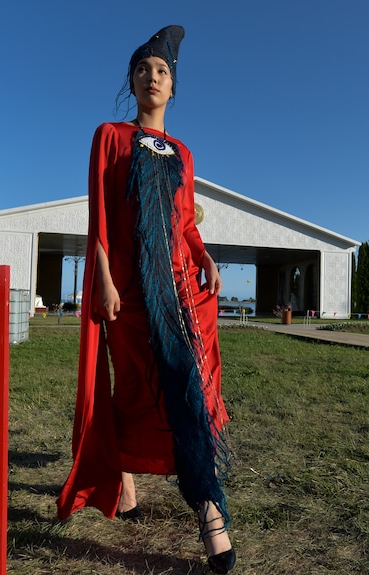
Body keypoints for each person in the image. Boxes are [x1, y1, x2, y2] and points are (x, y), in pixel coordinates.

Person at [56, 25, 235, 574]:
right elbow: (101, 217)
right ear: (131, 83)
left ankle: (209, 508)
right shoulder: (109, 136)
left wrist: (204, 257)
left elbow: (184, 221)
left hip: (181, 288)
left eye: (162, 71)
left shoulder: (183, 151)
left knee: (194, 386)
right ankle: (125, 479)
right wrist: (104, 279)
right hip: (130, 290)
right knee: (136, 384)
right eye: (143, 70)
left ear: (173, 88)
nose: (152, 77)